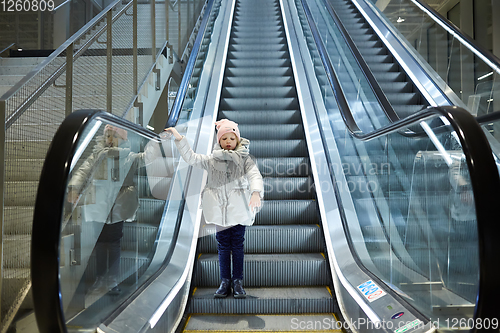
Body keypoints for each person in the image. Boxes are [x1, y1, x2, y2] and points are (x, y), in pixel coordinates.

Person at [164, 119, 264, 298]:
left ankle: (238, 282)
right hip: (220, 212)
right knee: (224, 246)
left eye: (231, 138)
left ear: (237, 140)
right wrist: (180, 139)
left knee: (238, 246)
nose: (228, 141)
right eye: (224, 138)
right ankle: (225, 281)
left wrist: (256, 192)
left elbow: (255, 175)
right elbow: (192, 158)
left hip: (239, 210)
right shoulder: (212, 159)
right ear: (219, 141)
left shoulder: (245, 160)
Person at [68, 124, 143, 295]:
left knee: (114, 242)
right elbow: (83, 171)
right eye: (108, 136)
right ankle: (101, 278)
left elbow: (145, 158)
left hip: (118, 207)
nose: (110, 140)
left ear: (123, 139)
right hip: (99, 205)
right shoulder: (97, 155)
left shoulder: (128, 156)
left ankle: (112, 279)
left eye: (114, 136)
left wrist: (161, 146)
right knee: (100, 243)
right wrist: (73, 189)